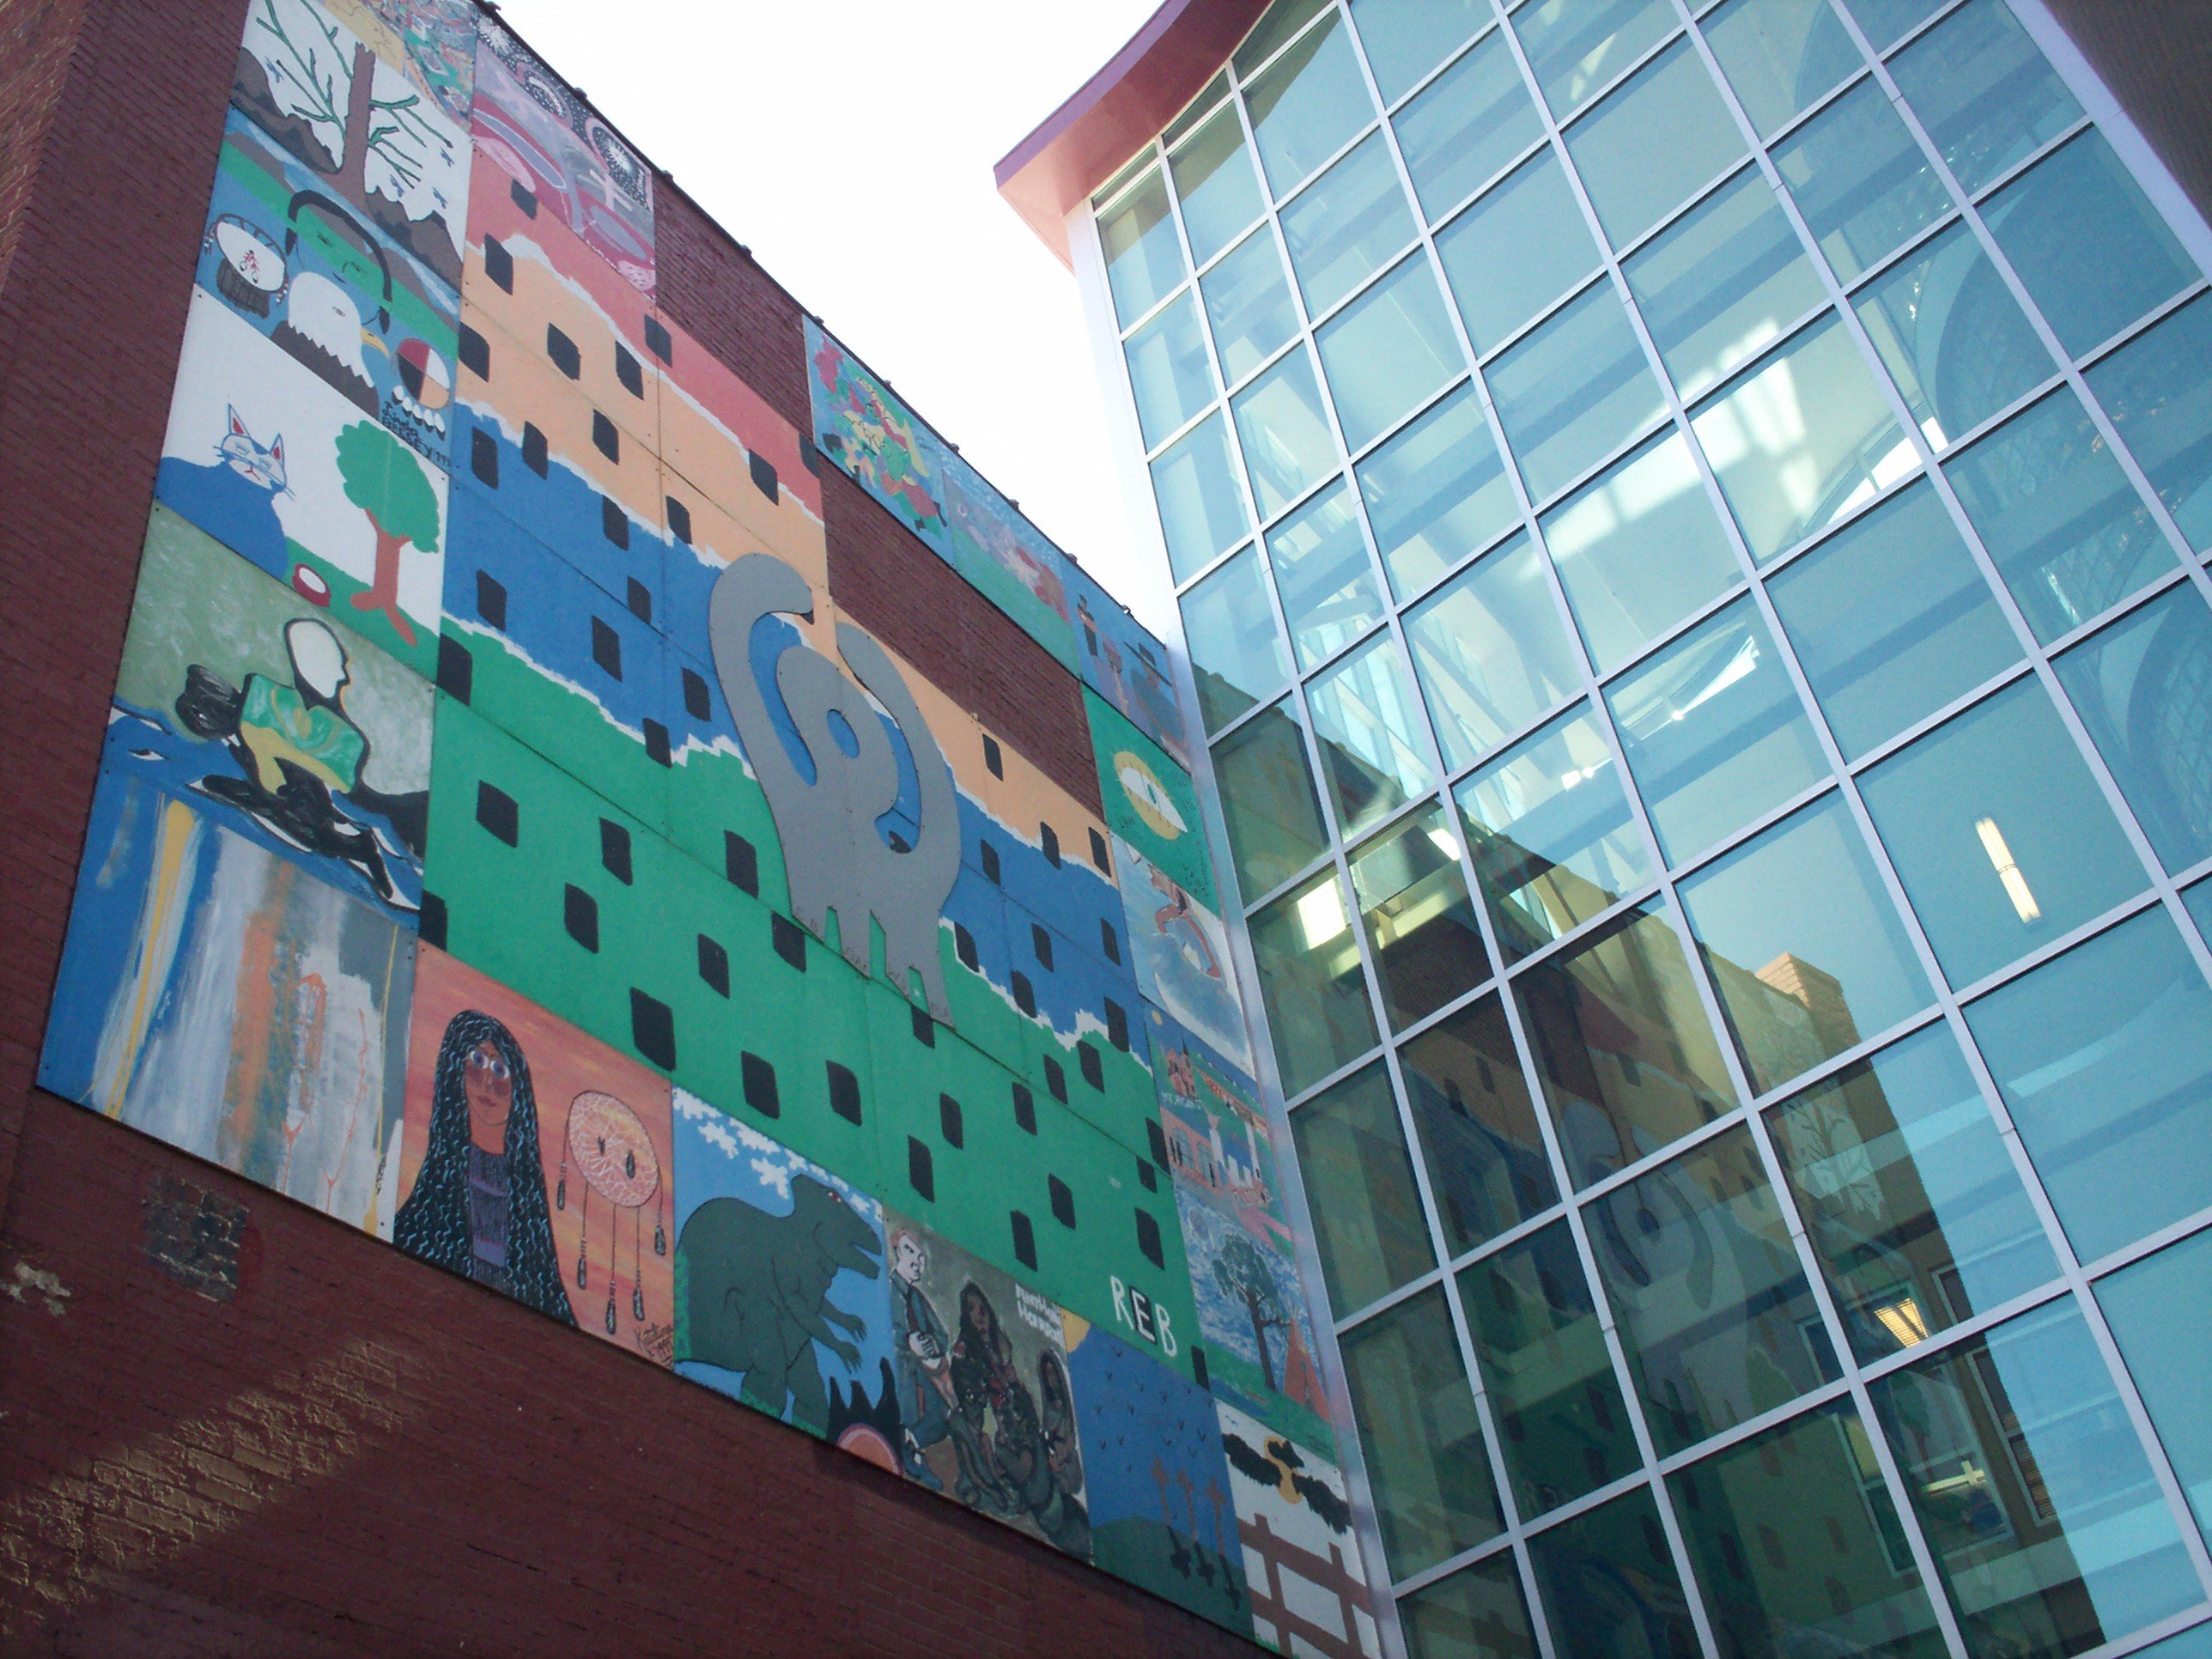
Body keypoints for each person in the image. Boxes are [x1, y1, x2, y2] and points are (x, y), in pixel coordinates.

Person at [394, 1010, 574, 1325]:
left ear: (517, 1085)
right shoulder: (430, 1203)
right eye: (477, 1061)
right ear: (456, 1069)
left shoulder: (526, 1202)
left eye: (500, 1069)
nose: (488, 1082)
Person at [887, 1227, 955, 1489]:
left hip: (924, 1374)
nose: (917, 1261)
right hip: (901, 1372)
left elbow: (942, 1336)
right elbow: (882, 1328)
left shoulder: (917, 1298)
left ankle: (911, 1445)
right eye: (910, 1252)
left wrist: (931, 1345)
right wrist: (908, 1344)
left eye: (921, 1256)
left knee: (942, 1419)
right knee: (908, 1412)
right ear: (897, 1253)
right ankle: (909, 1454)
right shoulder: (889, 1290)